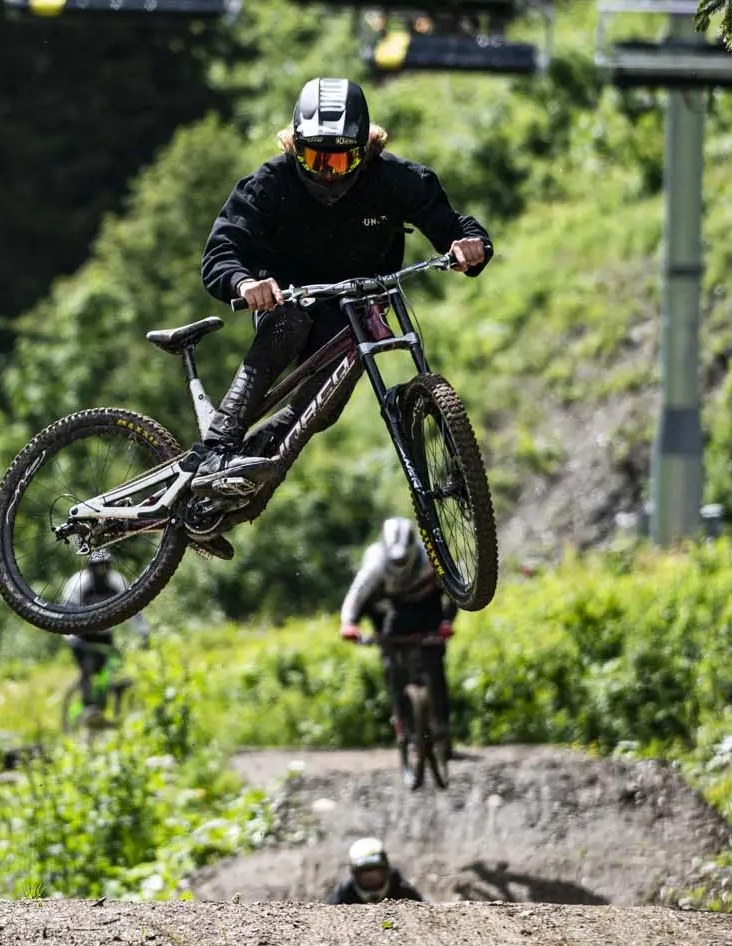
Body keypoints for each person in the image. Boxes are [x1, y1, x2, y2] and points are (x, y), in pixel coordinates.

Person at [187, 76, 493, 556]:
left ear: (364, 150)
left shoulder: (397, 181)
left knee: (318, 412)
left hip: (354, 309)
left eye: (340, 160)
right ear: (295, 148)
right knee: (291, 321)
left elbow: (452, 224)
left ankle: (226, 500)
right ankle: (217, 449)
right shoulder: (269, 184)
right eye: (314, 159)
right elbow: (221, 251)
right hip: (287, 299)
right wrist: (247, 284)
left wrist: (469, 244)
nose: (327, 174)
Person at [340, 517, 456, 753]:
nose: (400, 564)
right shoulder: (374, 564)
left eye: (404, 558)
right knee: (393, 667)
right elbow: (356, 597)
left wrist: (446, 622)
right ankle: (404, 727)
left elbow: (455, 589)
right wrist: (349, 624)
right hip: (393, 609)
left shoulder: (433, 556)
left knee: (435, 664)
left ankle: (442, 729)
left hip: (429, 604)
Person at [60, 551, 149, 720]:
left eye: (105, 567)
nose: (101, 572)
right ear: (89, 568)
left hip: (104, 635)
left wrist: (143, 632)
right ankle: (88, 707)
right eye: (97, 568)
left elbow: (133, 609)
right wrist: (71, 638)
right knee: (87, 668)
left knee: (112, 669)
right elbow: (66, 612)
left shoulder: (117, 581)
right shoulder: (78, 584)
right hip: (81, 637)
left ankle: (105, 708)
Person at [327, 837, 427, 904]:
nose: (371, 879)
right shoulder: (344, 896)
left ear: (386, 871)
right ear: (355, 874)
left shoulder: (403, 891)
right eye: (365, 875)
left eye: (375, 874)